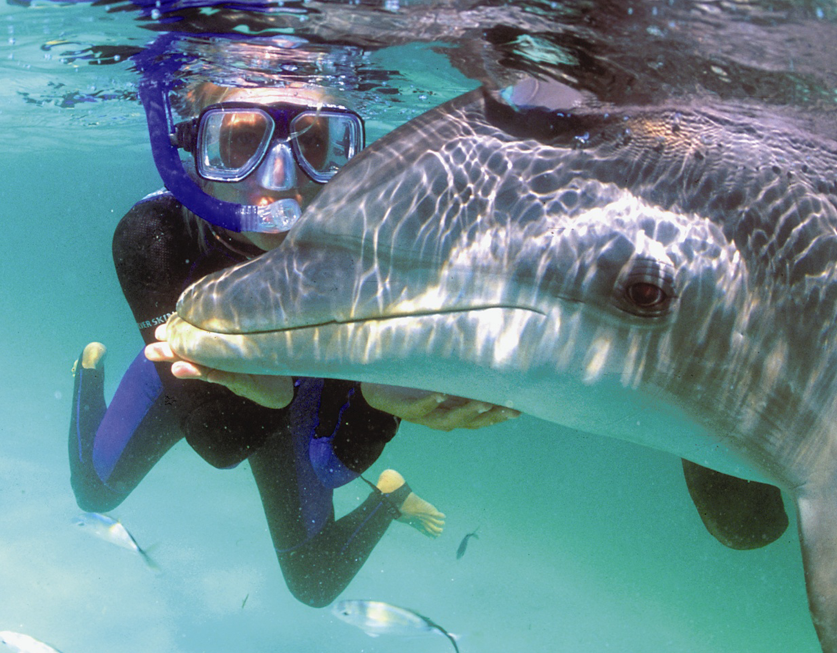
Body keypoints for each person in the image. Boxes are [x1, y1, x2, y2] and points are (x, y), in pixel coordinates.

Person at [69, 75, 518, 607]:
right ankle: (87, 373)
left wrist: (379, 403)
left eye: (311, 143)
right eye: (240, 141)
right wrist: (270, 389)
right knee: (94, 490)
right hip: (197, 382)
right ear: (194, 141)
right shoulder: (157, 233)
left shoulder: (368, 245)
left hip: (301, 395)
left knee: (315, 582)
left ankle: (390, 498)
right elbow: (220, 446)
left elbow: (337, 449)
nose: (279, 181)